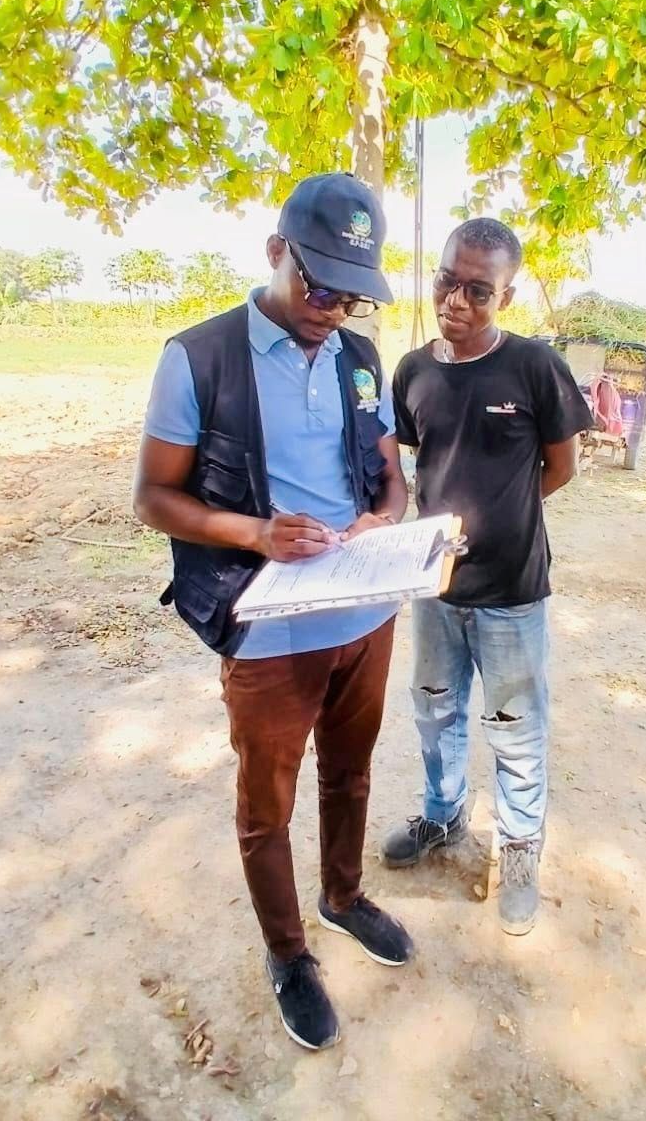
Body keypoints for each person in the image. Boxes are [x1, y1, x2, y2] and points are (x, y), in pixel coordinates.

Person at [133, 173, 413, 1052]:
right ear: (275, 253)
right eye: (319, 287)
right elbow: (152, 498)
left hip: (362, 618)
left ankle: (342, 897)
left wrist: (383, 520)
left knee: (352, 775)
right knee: (267, 808)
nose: (332, 310)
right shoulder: (200, 358)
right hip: (267, 633)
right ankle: (288, 954)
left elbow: (391, 476)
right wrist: (256, 533)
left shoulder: (359, 359)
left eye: (351, 296)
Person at [381, 218, 592, 934]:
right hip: (436, 589)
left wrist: (504, 519)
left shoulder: (534, 367)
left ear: (507, 294)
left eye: (479, 290)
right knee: (435, 709)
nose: (457, 301)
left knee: (516, 729)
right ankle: (443, 817)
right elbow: (420, 463)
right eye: (447, 281)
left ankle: (520, 849)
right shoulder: (412, 371)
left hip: (511, 592)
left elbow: (560, 467)